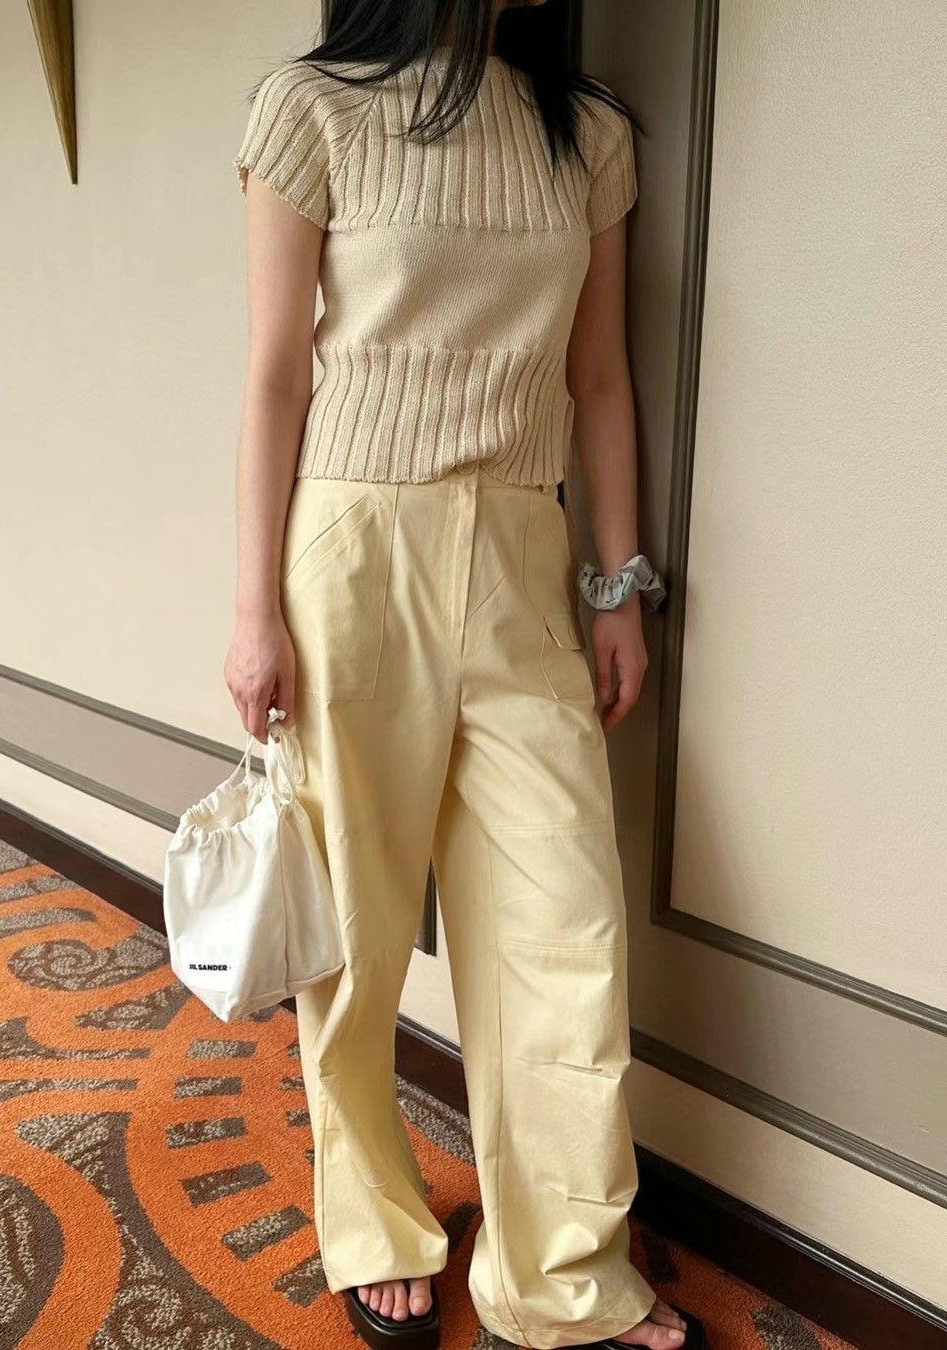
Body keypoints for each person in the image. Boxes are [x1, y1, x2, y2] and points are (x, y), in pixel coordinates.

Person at [225, 2, 706, 1347]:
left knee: (566, 920)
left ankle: (560, 1272)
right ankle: (373, 1221)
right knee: (356, 919)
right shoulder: (310, 109)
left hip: (520, 550)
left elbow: (598, 379)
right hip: (353, 548)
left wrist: (617, 584)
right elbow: (274, 375)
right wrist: (252, 609)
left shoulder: (587, 135)